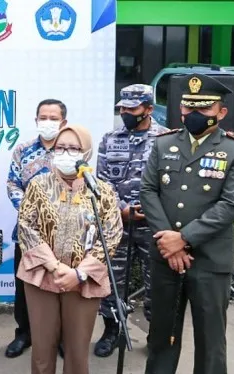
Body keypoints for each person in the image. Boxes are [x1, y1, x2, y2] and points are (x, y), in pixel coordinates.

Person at [134, 74, 234, 374]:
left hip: (209, 260)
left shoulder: (233, 150)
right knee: (163, 330)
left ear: (221, 112)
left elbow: (232, 203)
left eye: (204, 107)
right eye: (187, 106)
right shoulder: (164, 144)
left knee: (210, 337)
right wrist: (169, 241)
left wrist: (185, 239)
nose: (193, 112)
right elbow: (149, 190)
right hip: (167, 256)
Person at [18, 125, 123, 374]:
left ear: (86, 152)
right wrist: (54, 266)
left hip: (82, 283)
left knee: (77, 352)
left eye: (73, 148)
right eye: (60, 147)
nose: (65, 153)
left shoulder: (101, 191)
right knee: (42, 351)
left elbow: (111, 234)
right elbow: (26, 227)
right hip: (42, 278)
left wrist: (79, 273)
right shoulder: (38, 186)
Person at [94, 84, 169, 357]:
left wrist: (151, 211)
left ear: (149, 109)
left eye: (132, 108)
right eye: (122, 108)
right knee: (112, 281)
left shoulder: (167, 140)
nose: (125, 112)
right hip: (119, 225)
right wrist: (122, 210)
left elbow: (172, 186)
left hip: (155, 227)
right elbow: (103, 183)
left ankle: (156, 335)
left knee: (157, 284)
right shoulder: (110, 139)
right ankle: (113, 331)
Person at [5, 99, 67, 358]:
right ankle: (24, 333)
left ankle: (61, 338)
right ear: (36, 120)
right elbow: (12, 184)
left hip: (64, 234)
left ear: (63, 122)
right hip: (27, 232)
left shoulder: (70, 150)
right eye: (43, 117)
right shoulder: (23, 150)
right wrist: (32, 211)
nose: (48, 122)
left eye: (53, 117)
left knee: (60, 286)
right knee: (24, 285)